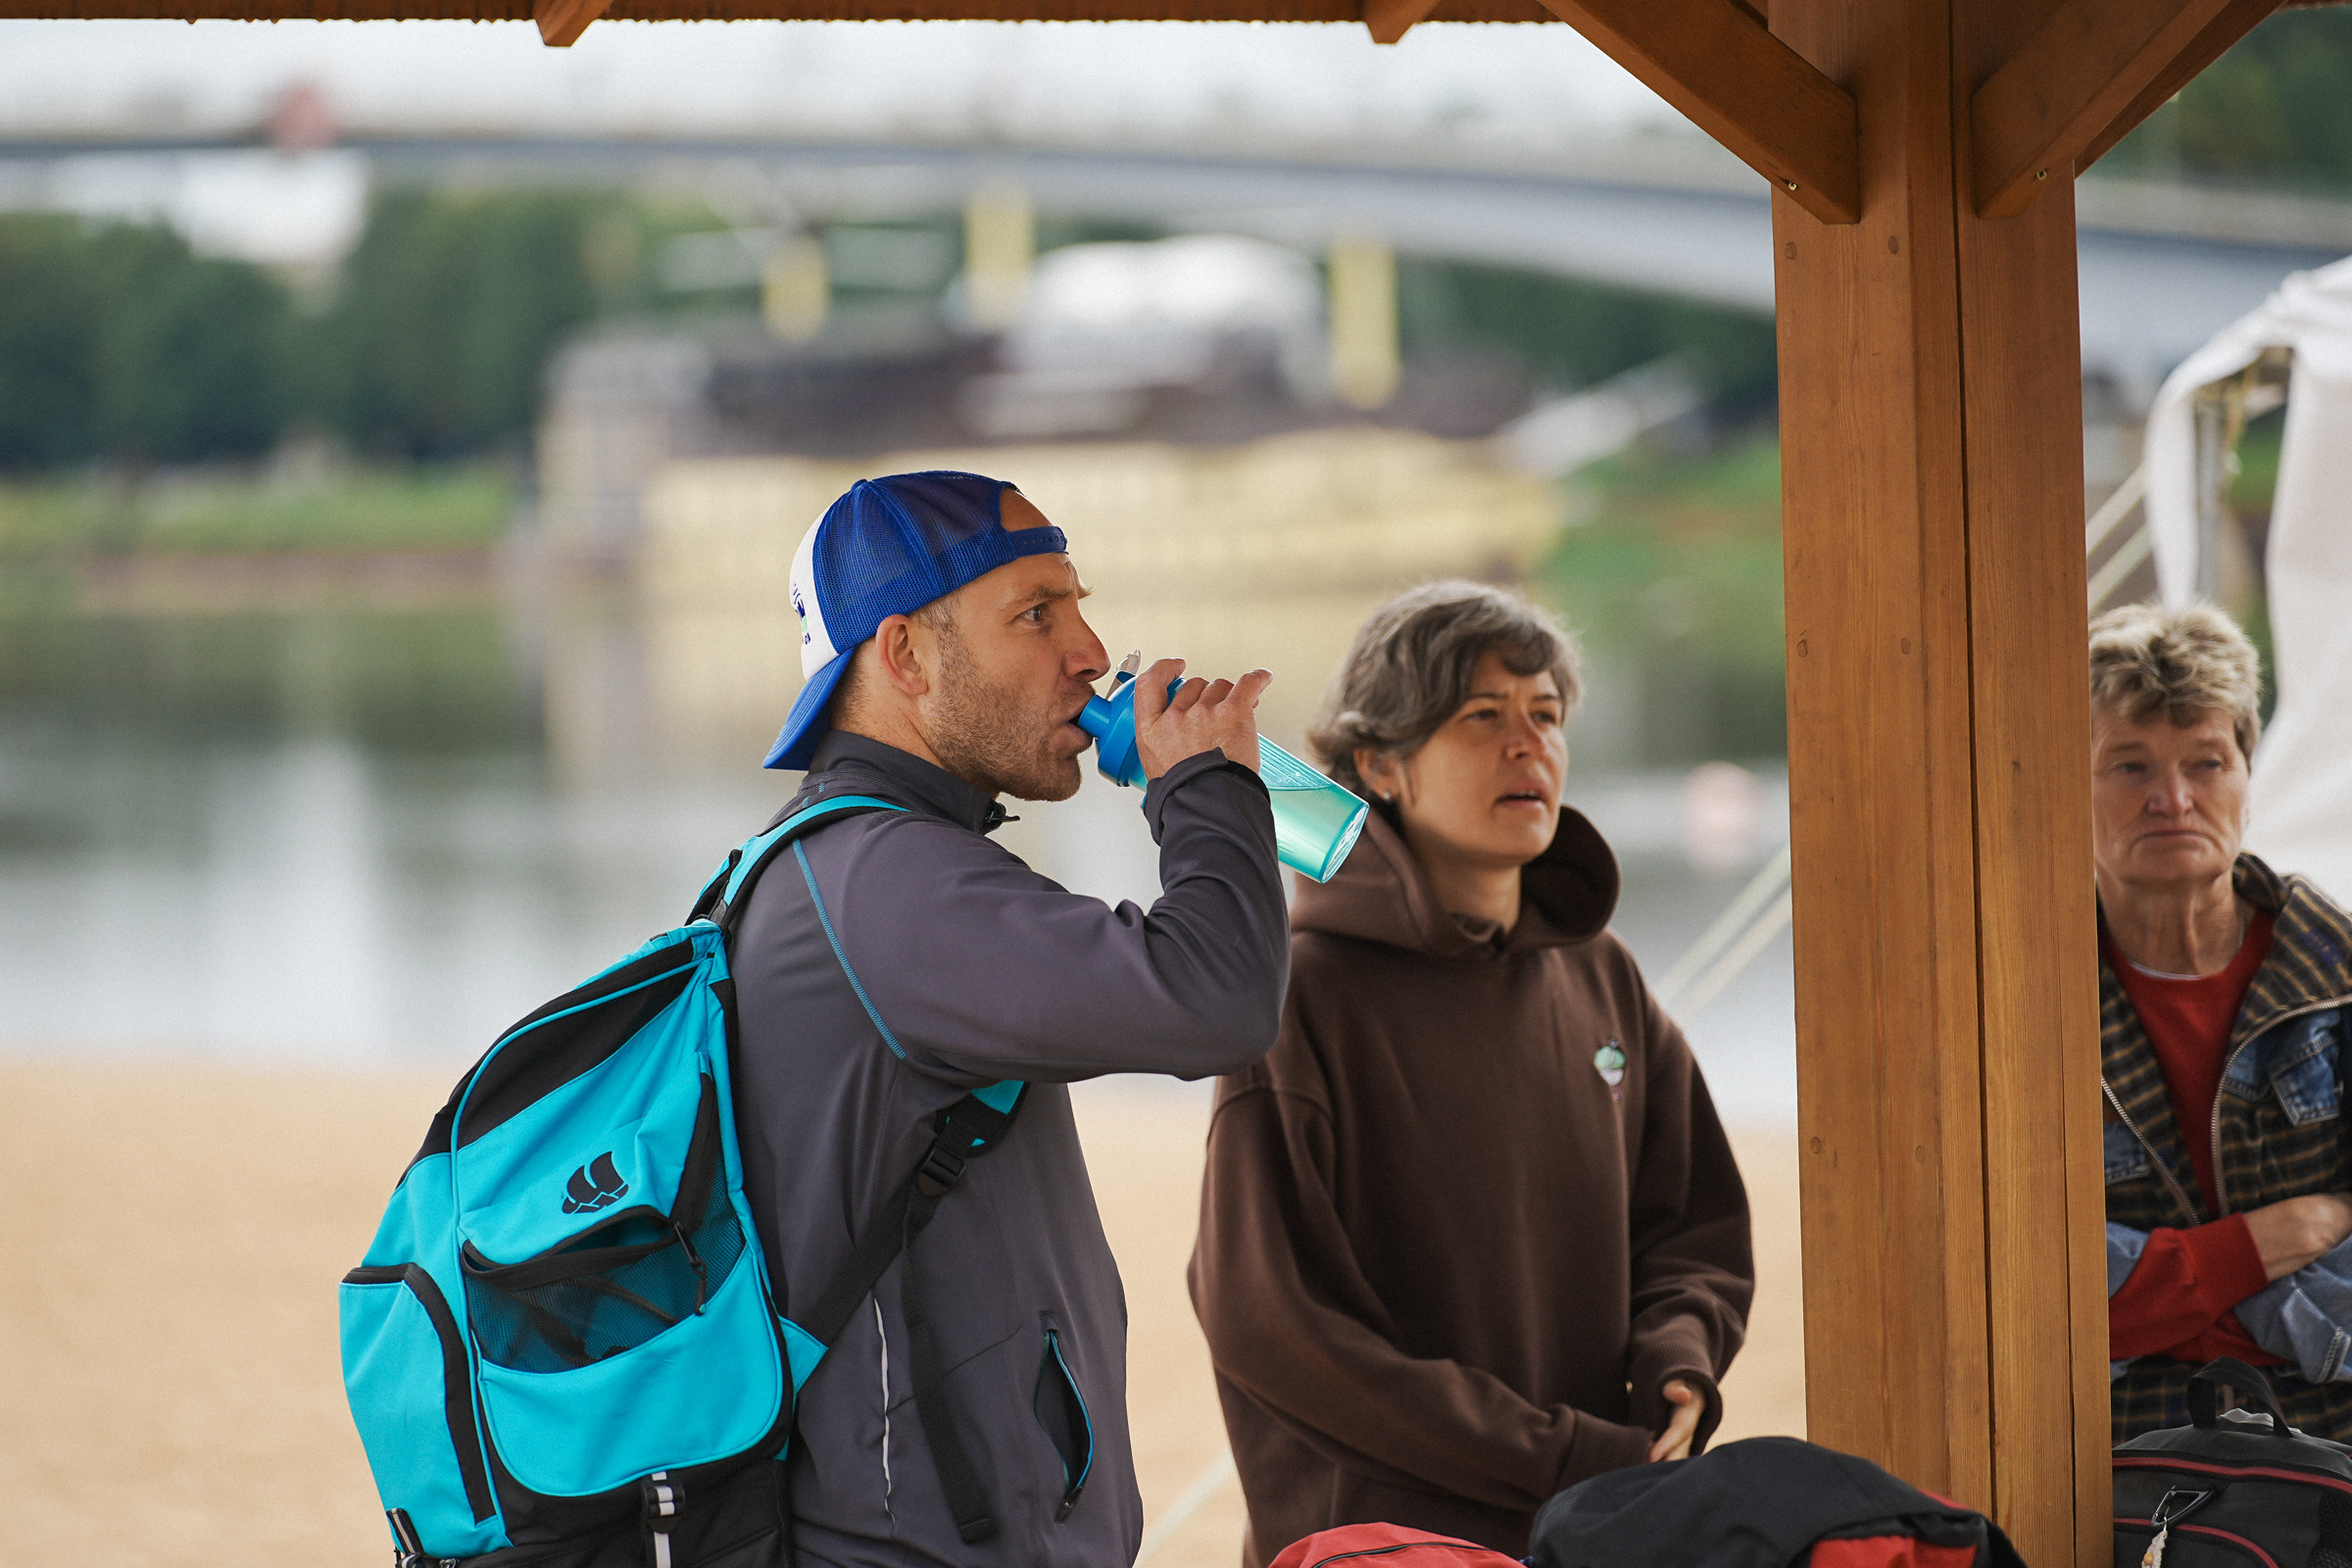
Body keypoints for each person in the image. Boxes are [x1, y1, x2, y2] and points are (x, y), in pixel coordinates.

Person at [730, 470, 1291, 1567]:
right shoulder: (883, 883)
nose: (1091, 652)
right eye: (1037, 614)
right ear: (902, 655)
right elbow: (1216, 994)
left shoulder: (860, 862)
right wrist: (1206, 788)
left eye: (1079, 606)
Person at [1189, 580, 1754, 1565]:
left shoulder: (1599, 971)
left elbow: (1691, 1225)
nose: (1526, 743)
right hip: (1378, 1547)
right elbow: (1274, 1324)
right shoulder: (1298, 999)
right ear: (1380, 763)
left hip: (1596, 1526)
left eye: (1544, 715)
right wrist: (1560, 1452)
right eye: (1481, 717)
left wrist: (1681, 1360)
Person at [2093, 602, 2352, 1443]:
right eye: (2129, 767)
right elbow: (2021, 1291)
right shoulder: (2016, 1005)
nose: (2173, 799)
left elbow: (2089, 1315)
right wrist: (2256, 1248)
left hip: (2334, 1450)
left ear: (2249, 771)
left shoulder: (2338, 974)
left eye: (2206, 762)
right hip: (2104, 1456)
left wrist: (2152, 1308)